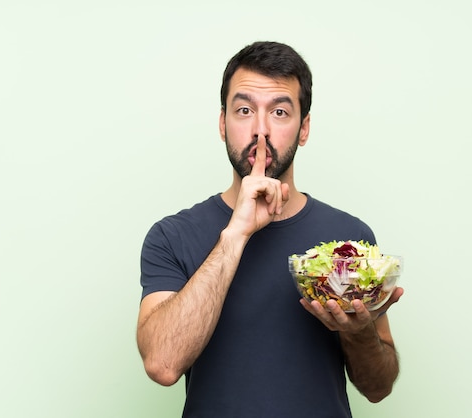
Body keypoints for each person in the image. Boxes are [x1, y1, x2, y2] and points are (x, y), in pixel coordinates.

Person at [136, 41, 404, 417]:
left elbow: (378, 388)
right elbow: (162, 365)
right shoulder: (171, 236)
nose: (259, 130)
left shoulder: (350, 237)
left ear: (304, 128)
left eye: (279, 112)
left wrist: (358, 332)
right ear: (222, 123)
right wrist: (236, 234)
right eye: (244, 110)